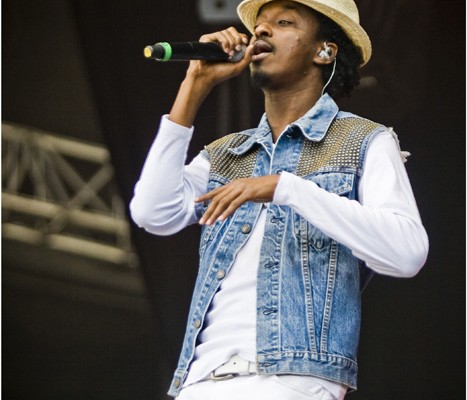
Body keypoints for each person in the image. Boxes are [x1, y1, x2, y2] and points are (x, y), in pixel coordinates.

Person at [130, 0, 429, 399]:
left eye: (283, 22)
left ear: (324, 51)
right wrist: (194, 85)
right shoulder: (228, 153)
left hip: (293, 383)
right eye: (259, 26)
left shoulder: (362, 141)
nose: (261, 32)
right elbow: (152, 212)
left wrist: (285, 188)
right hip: (202, 381)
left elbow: (407, 252)